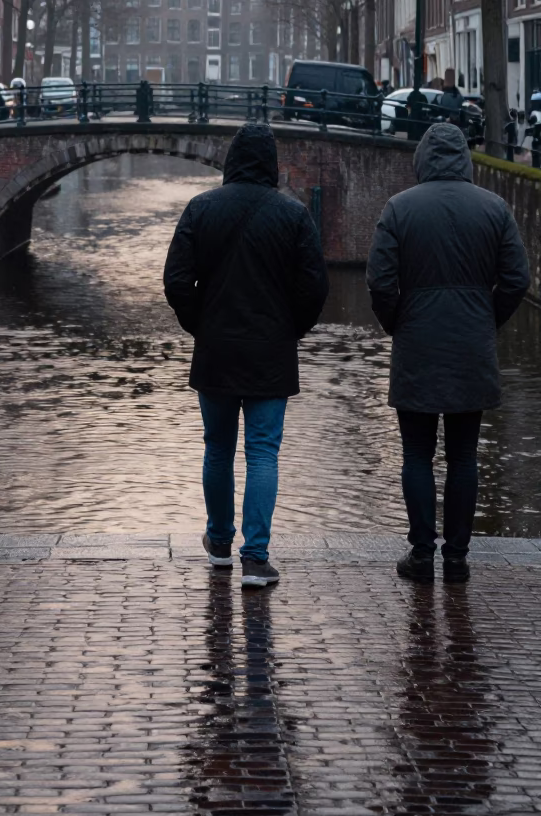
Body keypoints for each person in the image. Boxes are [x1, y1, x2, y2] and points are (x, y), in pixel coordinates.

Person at [163, 123, 329, 588]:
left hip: (216, 350)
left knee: (217, 447)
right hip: (270, 354)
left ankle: (218, 543)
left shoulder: (201, 208)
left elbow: (176, 280)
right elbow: (314, 287)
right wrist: (289, 329)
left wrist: (201, 324)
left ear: (232, 159)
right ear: (272, 163)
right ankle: (255, 558)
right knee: (263, 452)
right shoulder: (293, 216)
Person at [367, 123, 529, 585]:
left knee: (416, 453)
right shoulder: (494, 208)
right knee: (463, 456)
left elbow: (379, 281)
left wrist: (397, 323)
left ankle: (421, 556)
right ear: (465, 159)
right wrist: (485, 320)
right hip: (470, 347)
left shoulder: (400, 208)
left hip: (416, 343)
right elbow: (516, 279)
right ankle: (457, 559)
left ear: (422, 159)